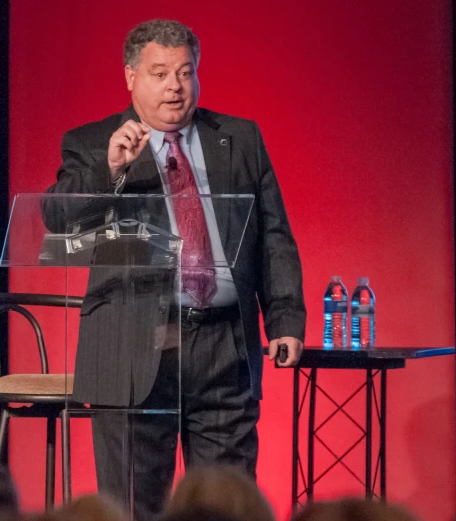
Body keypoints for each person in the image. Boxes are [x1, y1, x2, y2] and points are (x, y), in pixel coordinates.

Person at [45, 19, 305, 519]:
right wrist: (111, 169)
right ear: (130, 77)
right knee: (134, 506)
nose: (174, 87)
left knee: (226, 505)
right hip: (133, 347)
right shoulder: (94, 141)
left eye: (185, 73)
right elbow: (56, 218)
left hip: (224, 346)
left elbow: (273, 234)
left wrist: (285, 317)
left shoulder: (239, 138)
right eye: (160, 73)